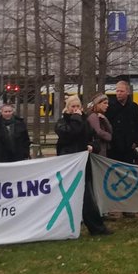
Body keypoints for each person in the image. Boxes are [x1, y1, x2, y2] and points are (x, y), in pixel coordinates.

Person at [55, 95, 110, 236]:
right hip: (68, 166)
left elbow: (94, 140)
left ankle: (97, 227)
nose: (75, 109)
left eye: (77, 106)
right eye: (72, 107)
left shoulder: (85, 122)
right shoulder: (62, 122)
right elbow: (69, 134)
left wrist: (92, 146)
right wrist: (76, 119)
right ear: (67, 108)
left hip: (83, 166)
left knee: (87, 198)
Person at [107, 79, 138, 167]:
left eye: (121, 91)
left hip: (129, 147)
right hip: (114, 147)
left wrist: (136, 141)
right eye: (117, 91)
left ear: (127, 92)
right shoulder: (110, 107)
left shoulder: (134, 107)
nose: (119, 93)